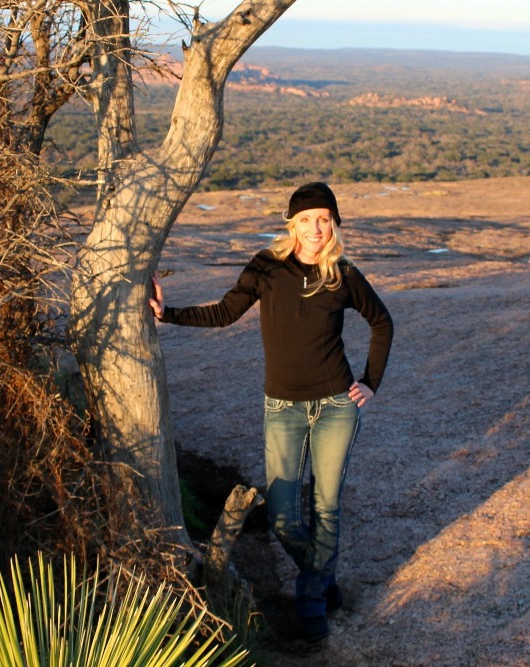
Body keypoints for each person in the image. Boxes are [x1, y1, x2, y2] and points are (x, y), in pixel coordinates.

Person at [148, 182, 394, 643]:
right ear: (292, 224)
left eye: (324, 219)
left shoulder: (342, 273)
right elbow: (225, 313)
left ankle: (310, 604)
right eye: (306, 219)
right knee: (282, 517)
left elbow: (382, 323)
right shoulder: (266, 267)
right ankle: (323, 582)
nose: (316, 228)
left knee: (325, 507)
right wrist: (168, 315)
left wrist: (370, 382)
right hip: (283, 407)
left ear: (334, 223)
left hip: (338, 406)